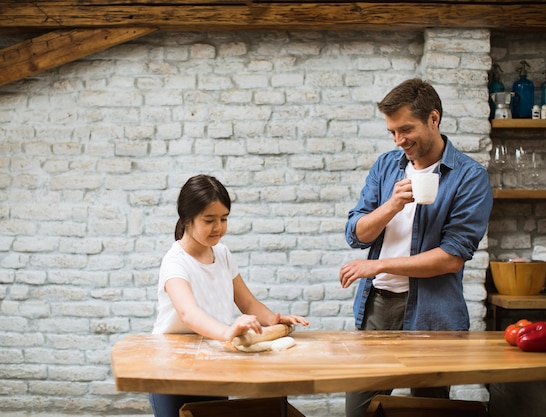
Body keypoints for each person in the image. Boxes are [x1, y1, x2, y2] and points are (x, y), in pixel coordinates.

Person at [339, 78, 493, 417]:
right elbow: (356, 232)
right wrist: (391, 206)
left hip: (434, 314)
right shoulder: (386, 166)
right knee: (359, 411)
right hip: (378, 308)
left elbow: (451, 258)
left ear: (433, 119)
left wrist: (377, 266)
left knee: (430, 410)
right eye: (392, 132)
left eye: (406, 129)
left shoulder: (469, 177)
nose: (399, 140)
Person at [149, 174, 309, 417]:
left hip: (213, 362)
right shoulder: (175, 262)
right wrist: (227, 332)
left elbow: (246, 301)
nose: (219, 227)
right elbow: (188, 313)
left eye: (224, 219)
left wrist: (273, 320)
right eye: (209, 220)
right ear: (187, 219)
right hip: (173, 367)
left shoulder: (222, 254)